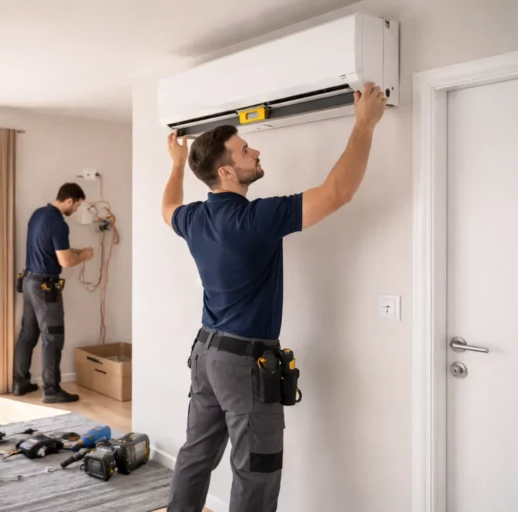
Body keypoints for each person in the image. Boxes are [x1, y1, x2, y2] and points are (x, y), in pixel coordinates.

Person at [163, 83, 387, 512]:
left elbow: (167, 207)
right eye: (245, 150)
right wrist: (364, 124)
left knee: (195, 454)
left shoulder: (194, 217)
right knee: (256, 470)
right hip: (243, 364)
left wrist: (176, 165)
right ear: (226, 171)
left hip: (206, 355)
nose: (256, 152)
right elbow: (338, 192)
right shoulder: (255, 219)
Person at [13, 182, 94, 404]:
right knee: (53, 337)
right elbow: (65, 261)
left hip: (29, 281)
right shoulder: (59, 223)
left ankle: (19, 382)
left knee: (28, 334)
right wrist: (84, 257)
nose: (75, 210)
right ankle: (51, 390)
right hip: (45, 288)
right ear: (69, 201)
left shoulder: (38, 215)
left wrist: (79, 250)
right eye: (76, 205)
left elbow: (49, 249)